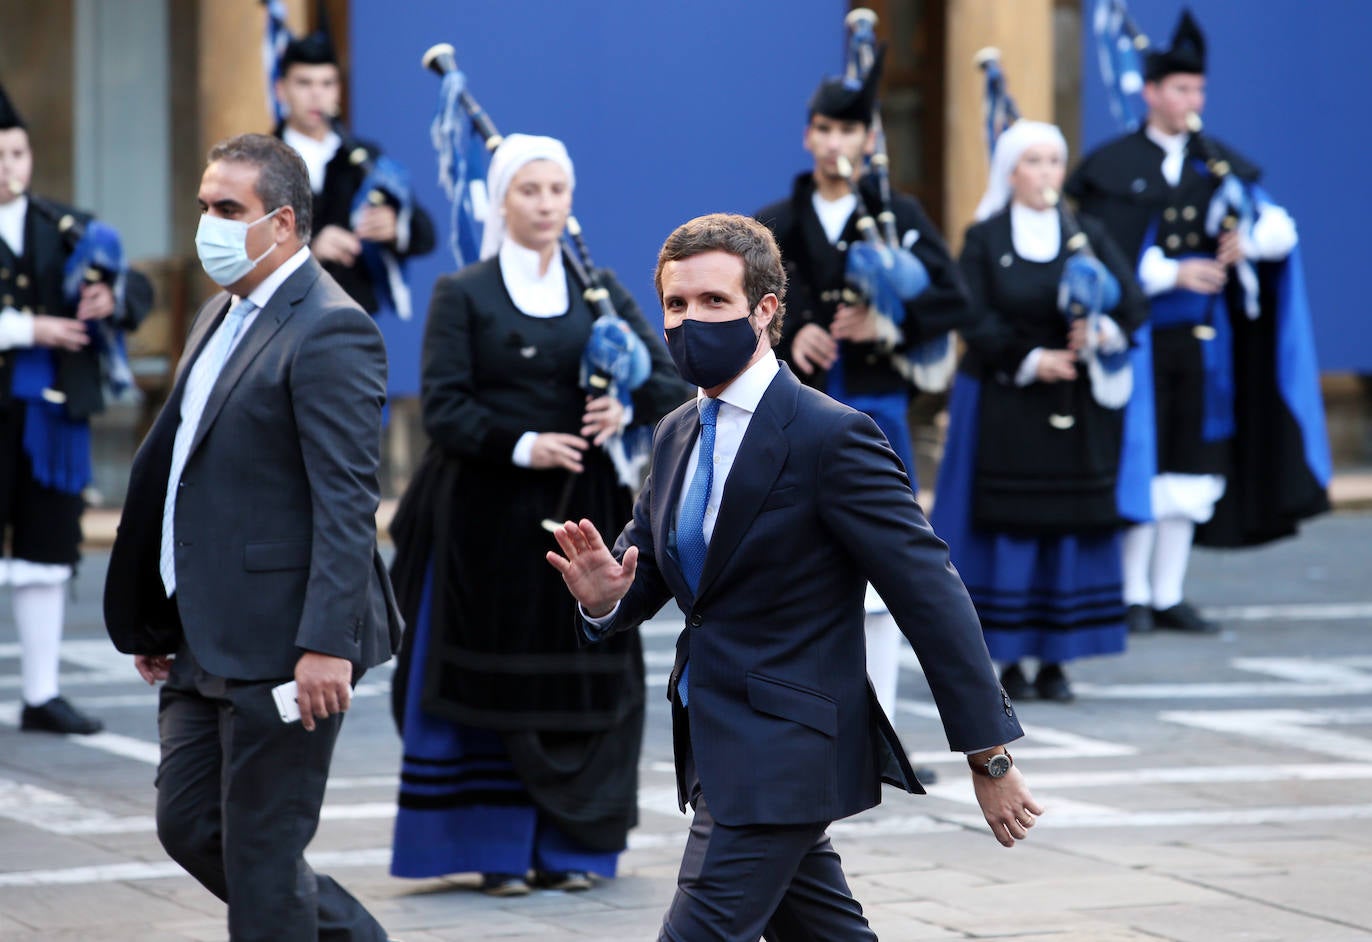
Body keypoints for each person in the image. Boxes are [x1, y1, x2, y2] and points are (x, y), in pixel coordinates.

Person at [548, 213, 1040, 941]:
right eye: (676, 305)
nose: (688, 322)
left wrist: (987, 752)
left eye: (713, 302)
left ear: (766, 310)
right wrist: (605, 600)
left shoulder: (831, 436)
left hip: (784, 755)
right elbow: (651, 564)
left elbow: (928, 591)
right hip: (720, 746)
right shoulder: (678, 430)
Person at [103, 133, 400, 942]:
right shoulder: (218, 309)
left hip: (285, 642)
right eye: (204, 206)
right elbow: (183, 470)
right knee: (191, 824)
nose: (209, 223)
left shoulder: (333, 330)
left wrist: (326, 646)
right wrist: (157, 610)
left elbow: (347, 502)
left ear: (284, 225)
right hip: (200, 634)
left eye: (227, 210)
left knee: (265, 858)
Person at [386, 134, 688, 897]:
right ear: (500, 201)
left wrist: (621, 406)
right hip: (484, 519)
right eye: (530, 190)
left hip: (583, 514)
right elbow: (445, 407)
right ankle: (495, 848)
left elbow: (661, 388)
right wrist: (524, 444)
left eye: (558, 189)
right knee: (492, 683)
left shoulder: (600, 289)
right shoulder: (465, 292)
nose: (547, 204)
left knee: (584, 671)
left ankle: (571, 846)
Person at [1066, 10, 1328, 636]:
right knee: (1141, 459)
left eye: (1198, 91)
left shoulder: (1217, 165)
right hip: (1138, 338)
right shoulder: (1114, 165)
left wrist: (1249, 246)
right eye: (1180, 89)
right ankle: (1128, 591)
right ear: (1151, 92)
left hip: (1204, 342)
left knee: (1192, 459)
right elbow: (1098, 250)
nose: (1191, 101)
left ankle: (1167, 591)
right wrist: (1167, 272)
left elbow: (1277, 226)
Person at [755, 57, 971, 744]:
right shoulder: (774, 223)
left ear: (868, 139)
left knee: (886, 574)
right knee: (789, 569)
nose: (836, 143)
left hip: (877, 414)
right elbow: (738, 316)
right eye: (824, 128)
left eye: (850, 129)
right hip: (794, 417)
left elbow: (953, 299)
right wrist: (797, 333)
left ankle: (882, 734)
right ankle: (802, 727)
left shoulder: (897, 214)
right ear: (807, 137)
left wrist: (892, 322)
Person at [932, 121, 1146, 702]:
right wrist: (1030, 358)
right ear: (1011, 172)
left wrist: (1099, 329)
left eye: (1055, 161)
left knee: (1067, 529)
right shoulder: (985, 237)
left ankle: (1058, 659)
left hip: (1071, 406)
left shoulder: (1086, 234)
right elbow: (970, 315)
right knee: (1009, 527)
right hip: (1008, 397)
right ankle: (1006, 661)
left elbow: (1132, 303)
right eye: (1034, 161)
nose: (1047, 173)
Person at [0, 80, 151, 735]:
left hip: (50, 420)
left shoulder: (66, 227)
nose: (9, 168)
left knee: (46, 550)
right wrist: (29, 330)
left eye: (17, 153)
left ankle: (42, 693)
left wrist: (111, 300)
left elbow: (134, 284)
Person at [273, 27, 436, 317]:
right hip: (281, 315)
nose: (316, 95)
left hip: (352, 315)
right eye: (304, 83)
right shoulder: (261, 159)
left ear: (338, 90)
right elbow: (245, 242)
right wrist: (308, 247)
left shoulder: (362, 157)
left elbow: (424, 235)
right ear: (281, 90)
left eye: (327, 83)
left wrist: (393, 225)